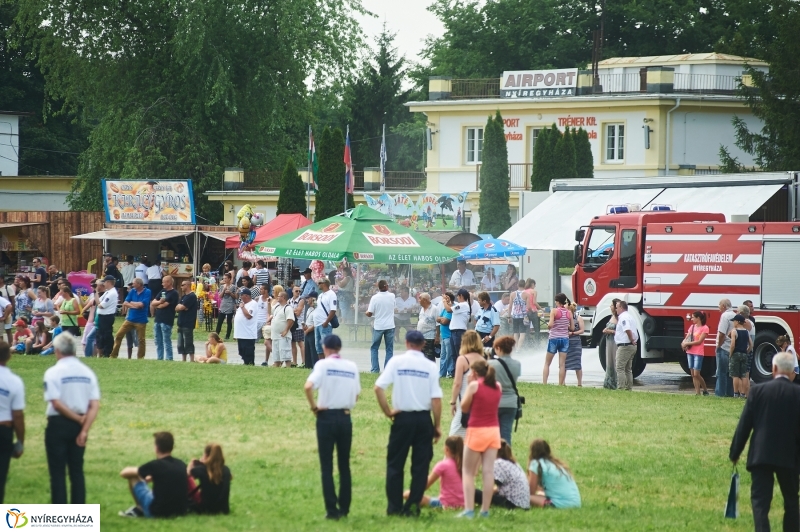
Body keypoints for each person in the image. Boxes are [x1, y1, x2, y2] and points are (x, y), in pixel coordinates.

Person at [374, 330, 443, 517]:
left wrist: (388, 411)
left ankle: (394, 507)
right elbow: (436, 399)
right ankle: (412, 506)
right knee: (420, 466)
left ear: (406, 343)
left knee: (395, 463)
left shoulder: (396, 362)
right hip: (422, 419)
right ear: (423, 345)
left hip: (402, 418)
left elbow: (378, 387)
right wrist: (437, 425)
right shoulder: (430, 366)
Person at [730, 351, 800, 531]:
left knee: (760, 503)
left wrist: (735, 452)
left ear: (774, 369)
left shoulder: (758, 391)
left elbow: (744, 425)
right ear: (792, 372)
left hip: (761, 454)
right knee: (791, 502)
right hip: (790, 457)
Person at [305, 334, 360, 520]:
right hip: (345, 417)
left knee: (326, 465)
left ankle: (331, 510)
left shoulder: (323, 365)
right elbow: (356, 395)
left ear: (326, 348)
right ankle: (345, 508)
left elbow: (308, 387)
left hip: (326, 417)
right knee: (344, 465)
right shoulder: (351, 366)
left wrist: (314, 407)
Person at [43, 333, 101, 504]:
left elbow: (56, 403)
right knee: (77, 471)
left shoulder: (53, 372)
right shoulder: (88, 373)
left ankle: (60, 515)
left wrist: (76, 418)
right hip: (81, 425)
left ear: (58, 350)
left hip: (59, 424)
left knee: (58, 472)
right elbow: (94, 404)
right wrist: (84, 429)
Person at [459, 358, 501, 518]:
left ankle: (469, 510)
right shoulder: (497, 386)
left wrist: (469, 384)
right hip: (493, 431)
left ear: (475, 373)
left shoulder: (474, 385)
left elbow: (464, 407)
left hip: (477, 430)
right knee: (488, 472)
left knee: (468, 472)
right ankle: (485, 510)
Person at [119, 432, 188, 518]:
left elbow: (124, 473)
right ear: (172, 447)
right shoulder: (181, 464)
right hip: (180, 511)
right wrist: (154, 476)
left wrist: (142, 473)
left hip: (157, 512)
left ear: (157, 448)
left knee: (133, 477)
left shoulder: (155, 465)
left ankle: (140, 509)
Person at [405, 436, 464, 509]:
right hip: (464, 503)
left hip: (446, 504)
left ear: (446, 449)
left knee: (407, 494)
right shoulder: (464, 464)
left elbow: (425, 485)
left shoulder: (443, 465)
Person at [449, 330, 486, 438]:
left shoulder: (462, 359)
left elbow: (457, 383)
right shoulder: (483, 359)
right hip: (479, 400)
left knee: (455, 433)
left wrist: (452, 402)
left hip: (465, 400)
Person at [475, 440, 531, 510]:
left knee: (474, 493)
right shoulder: (513, 463)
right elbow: (500, 486)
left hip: (512, 503)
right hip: (523, 504)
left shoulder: (498, 463)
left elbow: (490, 484)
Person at [0, 342, 24, 503]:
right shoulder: (13, 381)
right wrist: (20, 442)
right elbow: (18, 416)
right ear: (9, 356)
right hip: (4, 430)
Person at [527, 439, 581, 509]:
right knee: (540, 494)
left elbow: (530, 492)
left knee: (525, 497)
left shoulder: (536, 464)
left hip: (561, 504)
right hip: (576, 503)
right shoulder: (557, 464)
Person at [488, 336, 520, 444]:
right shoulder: (517, 364)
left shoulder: (491, 364)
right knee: (506, 434)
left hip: (495, 402)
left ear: (498, 348)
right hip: (511, 402)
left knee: (493, 434)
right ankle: (506, 457)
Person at [110, 278, 151, 359]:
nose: (132, 285)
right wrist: (135, 306)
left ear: (139, 284)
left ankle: (140, 357)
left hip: (141, 320)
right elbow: (125, 302)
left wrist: (132, 303)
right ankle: (113, 355)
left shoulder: (147, 292)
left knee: (141, 340)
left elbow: (142, 304)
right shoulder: (132, 291)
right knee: (118, 335)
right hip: (129, 319)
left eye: (134, 283)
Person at [187, 443, 232, 514]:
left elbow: (188, 474)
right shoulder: (226, 470)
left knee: (188, 479)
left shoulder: (201, 469)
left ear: (206, 455)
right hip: (223, 509)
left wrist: (192, 463)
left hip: (206, 508)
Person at [543, 293, 573, 385]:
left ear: (557, 302)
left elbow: (551, 325)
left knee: (547, 363)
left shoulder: (554, 311)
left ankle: (544, 383)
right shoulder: (569, 312)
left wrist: (548, 325)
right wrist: (565, 325)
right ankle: (560, 384)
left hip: (554, 338)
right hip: (564, 339)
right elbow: (572, 328)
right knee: (562, 364)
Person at [679, 310, 710, 395]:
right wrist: (683, 343)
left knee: (697, 374)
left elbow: (699, 341)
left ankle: (705, 389)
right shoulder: (692, 327)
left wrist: (687, 343)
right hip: (690, 352)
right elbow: (687, 337)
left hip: (698, 353)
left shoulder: (705, 328)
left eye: (693, 317)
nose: (691, 319)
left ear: (698, 318)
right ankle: (697, 392)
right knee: (693, 374)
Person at [367, 280, 395, 373]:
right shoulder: (392, 296)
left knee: (374, 348)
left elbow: (370, 313)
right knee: (389, 348)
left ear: (378, 287)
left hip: (378, 326)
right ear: (386, 286)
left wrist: (366, 313)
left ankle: (375, 369)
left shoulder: (374, 298)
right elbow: (393, 307)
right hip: (390, 325)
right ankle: (387, 369)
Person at [149, 275, 178, 361]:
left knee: (166, 341)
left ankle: (169, 358)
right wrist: (159, 302)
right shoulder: (162, 291)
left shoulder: (174, 293)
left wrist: (158, 304)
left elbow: (164, 305)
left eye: (164, 282)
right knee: (158, 341)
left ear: (169, 282)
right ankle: (160, 357)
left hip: (166, 320)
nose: (162, 284)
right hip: (158, 319)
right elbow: (153, 303)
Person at [614, 300, 638, 391]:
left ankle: (621, 387)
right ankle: (629, 388)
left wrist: (631, 339)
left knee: (620, 367)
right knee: (628, 368)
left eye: (617, 307)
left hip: (625, 346)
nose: (616, 309)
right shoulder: (630, 316)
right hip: (631, 346)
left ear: (621, 307)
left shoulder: (623, 317)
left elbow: (627, 329)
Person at [715, 299, 736, 397]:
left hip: (723, 348)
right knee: (729, 373)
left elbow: (722, 333)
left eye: (719, 305)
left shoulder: (724, 316)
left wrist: (719, 345)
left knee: (721, 372)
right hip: (731, 347)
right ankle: (729, 393)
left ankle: (720, 394)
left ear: (723, 306)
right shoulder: (734, 315)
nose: (718, 308)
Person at [729, 314, 753, 398]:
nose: (733, 323)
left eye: (734, 321)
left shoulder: (734, 331)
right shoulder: (746, 331)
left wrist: (730, 354)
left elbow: (732, 344)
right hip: (744, 354)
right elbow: (751, 344)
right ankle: (743, 393)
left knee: (735, 375)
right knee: (743, 375)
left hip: (736, 353)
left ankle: (736, 393)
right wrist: (747, 351)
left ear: (738, 322)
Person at [95, 275, 118, 358]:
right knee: (102, 335)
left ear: (108, 282)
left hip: (107, 317)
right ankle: (104, 351)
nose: (104, 284)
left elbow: (101, 305)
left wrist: (98, 303)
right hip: (102, 316)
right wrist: (96, 292)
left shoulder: (111, 293)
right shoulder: (108, 292)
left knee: (106, 335)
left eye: (104, 282)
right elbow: (98, 301)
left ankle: (107, 352)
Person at [313, 279, 337, 361]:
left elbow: (333, 310)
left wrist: (326, 322)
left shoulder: (331, 294)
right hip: (317, 324)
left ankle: (329, 364)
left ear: (324, 284)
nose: (318, 284)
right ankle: (321, 364)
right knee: (318, 347)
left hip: (324, 324)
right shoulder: (320, 295)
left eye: (319, 283)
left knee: (327, 346)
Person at [270, 291, 295, 368]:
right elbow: (269, 312)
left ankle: (288, 368)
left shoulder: (288, 308)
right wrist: (268, 304)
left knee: (286, 355)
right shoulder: (277, 307)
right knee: (276, 357)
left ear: (283, 297)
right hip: (275, 336)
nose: (277, 297)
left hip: (283, 336)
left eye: (279, 296)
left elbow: (291, 320)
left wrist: (285, 330)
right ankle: (277, 368)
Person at [446, 289, 472, 361]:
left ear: (461, 296)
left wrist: (444, 301)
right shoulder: (462, 305)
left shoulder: (463, 305)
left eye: (458, 296)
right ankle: (457, 371)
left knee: (459, 354)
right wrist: (448, 302)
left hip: (458, 332)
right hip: (455, 332)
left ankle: (462, 370)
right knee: (454, 354)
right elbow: (452, 307)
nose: (457, 298)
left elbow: (449, 310)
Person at [175, 279, 198, 362]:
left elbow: (181, 307)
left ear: (187, 285)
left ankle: (192, 360)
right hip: (180, 323)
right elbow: (177, 308)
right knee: (180, 344)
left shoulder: (192, 296)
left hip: (188, 323)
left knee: (188, 342)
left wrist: (182, 307)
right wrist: (182, 307)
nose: (181, 287)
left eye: (183, 285)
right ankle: (183, 360)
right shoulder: (184, 297)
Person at [234, 288, 258, 365]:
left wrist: (242, 307)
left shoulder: (253, 304)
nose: (240, 297)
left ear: (247, 296)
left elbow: (248, 316)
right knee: (242, 351)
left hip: (248, 334)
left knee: (248, 352)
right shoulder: (243, 304)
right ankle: (245, 363)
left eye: (242, 295)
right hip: (241, 333)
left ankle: (250, 364)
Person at [601, 299, 620, 390]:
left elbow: (620, 331)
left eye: (611, 305)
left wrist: (610, 331)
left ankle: (616, 383)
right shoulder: (612, 316)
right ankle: (609, 383)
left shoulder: (619, 317)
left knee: (615, 361)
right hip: (608, 342)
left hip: (615, 342)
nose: (610, 307)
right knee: (609, 361)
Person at [565, 302, 585, 387]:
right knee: (564, 363)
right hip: (566, 342)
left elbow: (582, 330)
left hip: (576, 342)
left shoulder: (578, 318)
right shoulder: (564, 318)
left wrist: (573, 333)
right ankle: (562, 382)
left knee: (577, 363)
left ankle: (579, 383)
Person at [738, 304, 756, 397]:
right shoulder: (750, 322)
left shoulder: (746, 323)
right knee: (746, 374)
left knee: (744, 374)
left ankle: (744, 393)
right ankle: (747, 394)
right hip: (749, 350)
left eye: (737, 312)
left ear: (741, 313)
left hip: (746, 350)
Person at [435, 293, 454, 378]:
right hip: (443, 336)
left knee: (449, 356)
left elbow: (445, 321)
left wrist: (442, 319)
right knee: (443, 356)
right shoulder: (444, 310)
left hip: (449, 336)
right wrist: (441, 319)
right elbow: (438, 318)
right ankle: (442, 373)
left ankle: (450, 373)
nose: (444, 301)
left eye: (445, 299)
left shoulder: (451, 309)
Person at [416, 293, 438, 362]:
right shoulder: (422, 309)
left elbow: (438, 323)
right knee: (421, 357)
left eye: (420, 298)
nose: (418, 300)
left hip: (430, 337)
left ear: (425, 300)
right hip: (421, 337)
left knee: (429, 357)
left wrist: (437, 337)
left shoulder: (434, 309)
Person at [216, 272, 236, 340]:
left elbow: (235, 296)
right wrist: (224, 290)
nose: (224, 279)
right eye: (223, 278)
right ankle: (216, 334)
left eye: (226, 278)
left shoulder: (233, 287)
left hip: (230, 304)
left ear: (229, 279)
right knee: (220, 321)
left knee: (229, 321)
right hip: (223, 304)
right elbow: (220, 296)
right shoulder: (222, 286)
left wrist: (230, 293)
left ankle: (227, 336)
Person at [289, 286, 306, 367]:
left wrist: (291, 311)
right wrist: (294, 310)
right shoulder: (290, 300)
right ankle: (295, 362)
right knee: (292, 344)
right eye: (296, 291)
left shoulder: (301, 300)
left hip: (299, 324)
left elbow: (298, 312)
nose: (298, 292)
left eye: (299, 291)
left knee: (301, 344)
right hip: (292, 325)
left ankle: (303, 362)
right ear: (292, 291)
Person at [303, 292, 318, 368]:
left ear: (313, 299)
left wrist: (308, 330)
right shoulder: (309, 309)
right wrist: (305, 327)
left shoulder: (317, 309)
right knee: (307, 350)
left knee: (313, 350)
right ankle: (307, 365)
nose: (307, 300)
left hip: (312, 332)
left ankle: (314, 365)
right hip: (307, 331)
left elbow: (316, 323)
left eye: (308, 298)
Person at [509, 282, 527, 347]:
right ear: (524, 285)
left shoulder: (512, 294)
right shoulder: (526, 294)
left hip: (515, 315)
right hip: (523, 316)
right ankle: (519, 349)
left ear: (517, 285)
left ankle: (516, 348)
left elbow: (510, 306)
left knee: (515, 333)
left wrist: (509, 316)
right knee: (522, 333)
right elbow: (528, 307)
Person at [0, 279, 15, 344]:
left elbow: (10, 305)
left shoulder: (7, 288)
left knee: (7, 331)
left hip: (3, 316)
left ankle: (8, 347)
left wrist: (5, 316)